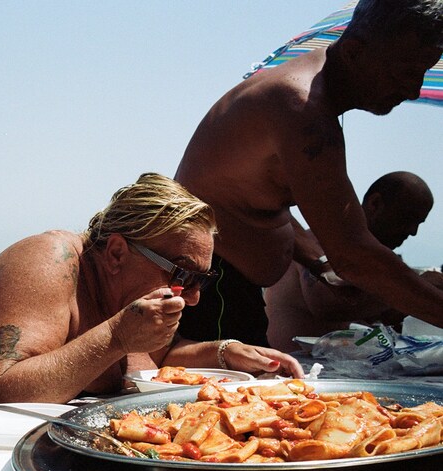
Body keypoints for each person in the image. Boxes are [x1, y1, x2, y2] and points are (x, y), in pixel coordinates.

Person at [0, 173, 303, 427]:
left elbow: (158, 359)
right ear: (117, 253)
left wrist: (225, 352)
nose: (193, 297)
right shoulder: (49, 261)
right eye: (183, 275)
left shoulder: (123, 293)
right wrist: (115, 337)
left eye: (202, 280)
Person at [174, 0, 443, 347]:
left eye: (423, 72)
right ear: (354, 51)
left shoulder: (306, 99)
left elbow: (248, 200)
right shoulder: (302, 109)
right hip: (213, 287)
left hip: (229, 287)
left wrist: (319, 263)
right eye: (404, 72)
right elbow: (353, 255)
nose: (414, 90)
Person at [265, 171, 440, 351]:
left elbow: (379, 312)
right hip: (294, 361)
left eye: (419, 223)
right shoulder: (324, 240)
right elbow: (329, 306)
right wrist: (415, 288)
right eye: (407, 218)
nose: (413, 231)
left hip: (335, 362)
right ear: (375, 203)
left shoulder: (376, 262)